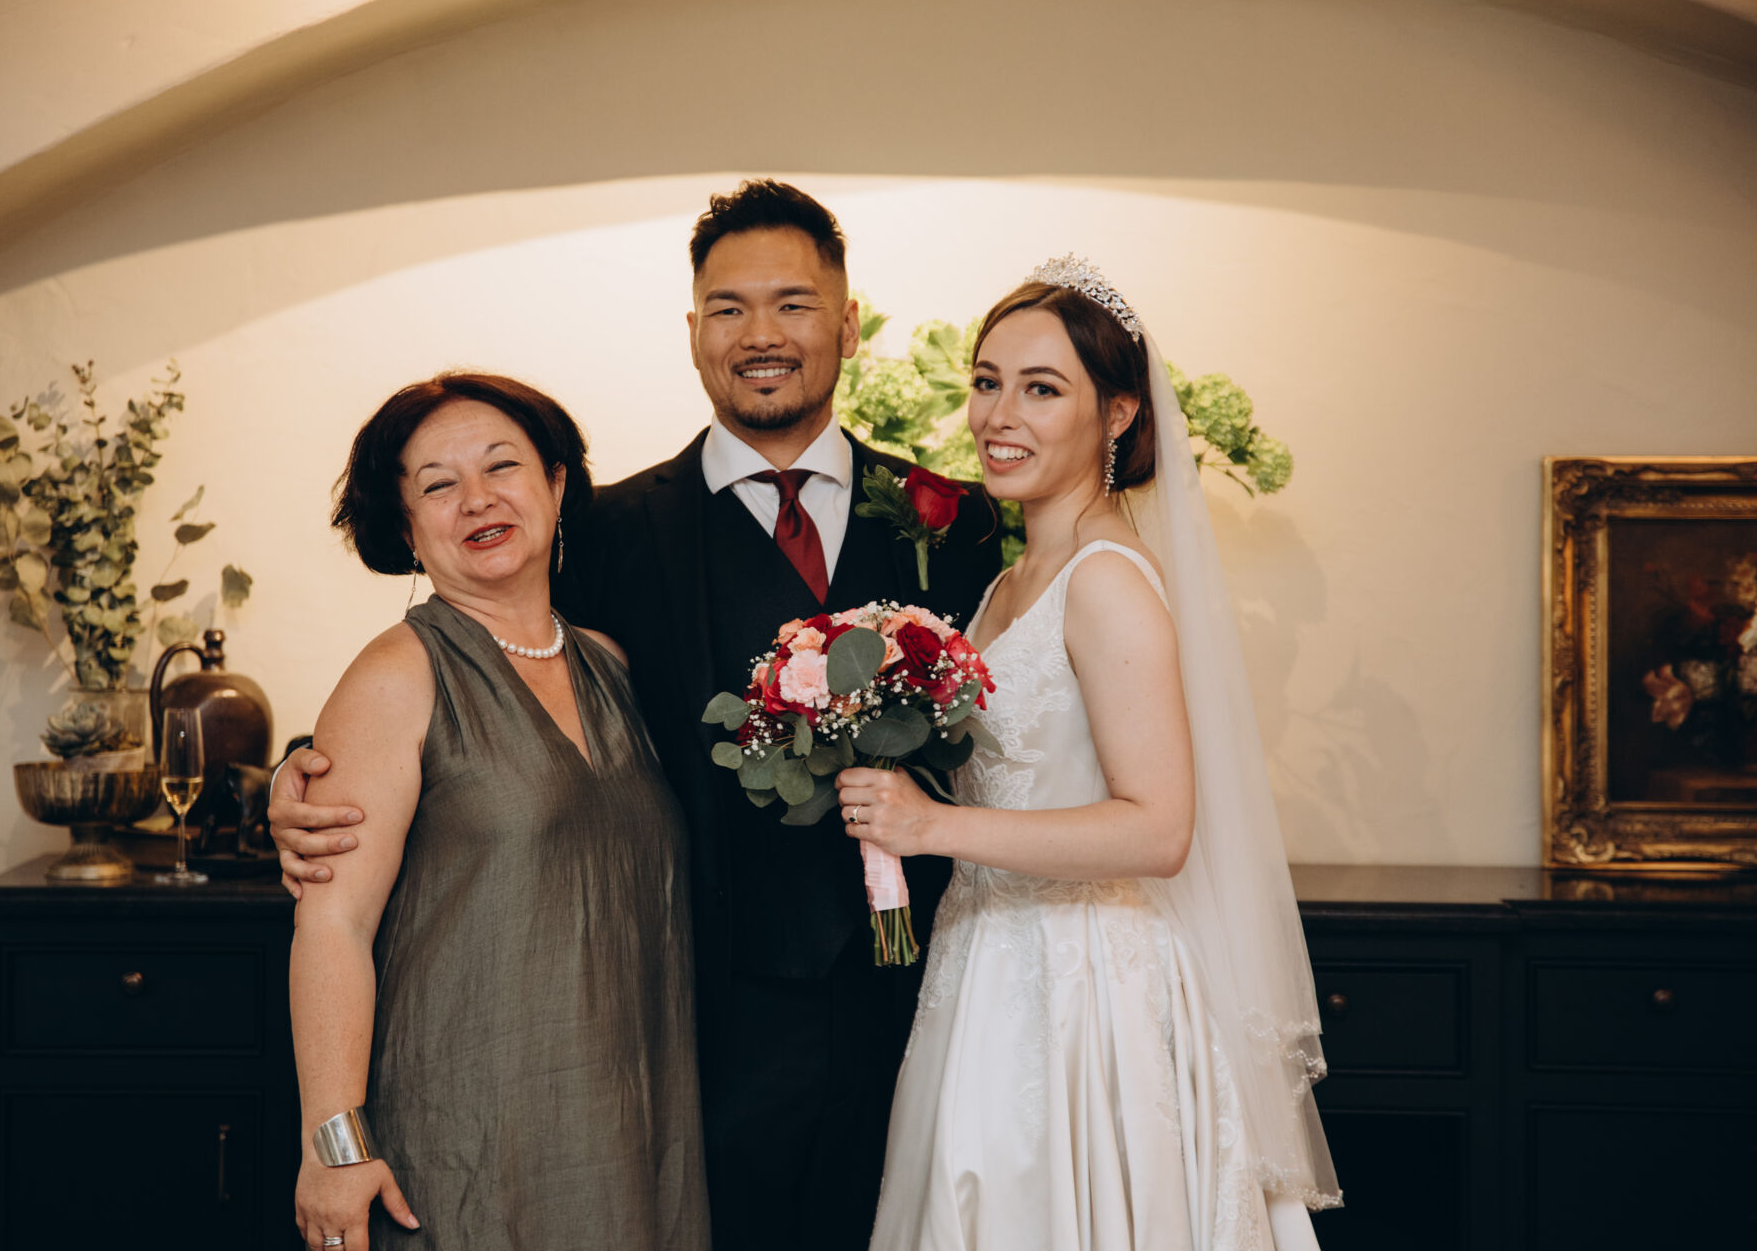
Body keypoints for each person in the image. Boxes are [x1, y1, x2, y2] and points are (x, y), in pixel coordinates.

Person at [271, 181, 1004, 1249]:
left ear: (847, 325)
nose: (761, 334)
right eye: (729, 308)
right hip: (688, 1041)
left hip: (926, 1006)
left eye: (793, 304)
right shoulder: (607, 534)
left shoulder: (955, 521)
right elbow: (463, 690)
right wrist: (305, 769)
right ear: (694, 331)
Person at [834, 261, 1340, 1249]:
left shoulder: (1106, 579)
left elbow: (1159, 830)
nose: (998, 415)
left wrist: (932, 825)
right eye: (987, 381)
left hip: (1084, 988)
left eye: (1041, 388)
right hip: (986, 963)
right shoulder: (1010, 580)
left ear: (1117, 413)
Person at [287, 373, 707, 1251]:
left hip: (633, 1127)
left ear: (555, 484)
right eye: (438, 484)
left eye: (501, 466)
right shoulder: (397, 674)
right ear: (408, 529)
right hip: (469, 1135)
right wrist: (334, 1147)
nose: (477, 498)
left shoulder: (610, 664)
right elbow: (333, 924)